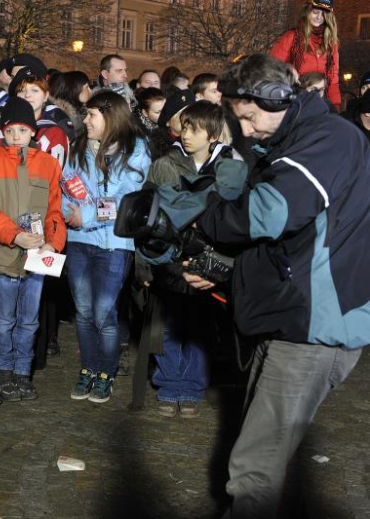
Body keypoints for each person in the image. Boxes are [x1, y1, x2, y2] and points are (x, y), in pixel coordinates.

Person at [183, 53, 370, 518]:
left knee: (255, 467)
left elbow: (270, 214)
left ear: (279, 96)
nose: (244, 130)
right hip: (291, 317)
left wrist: (202, 217)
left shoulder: (330, 138)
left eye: (247, 116)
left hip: (312, 327)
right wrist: (226, 267)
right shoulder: (297, 139)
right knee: (257, 452)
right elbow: (298, 242)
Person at [147, 101, 240, 418]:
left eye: (194, 129)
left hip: (208, 261)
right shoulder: (165, 163)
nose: (186, 134)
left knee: (201, 327)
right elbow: (147, 214)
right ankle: (169, 383)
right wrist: (145, 262)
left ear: (212, 135)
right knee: (169, 326)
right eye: (184, 126)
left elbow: (235, 219)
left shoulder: (230, 168)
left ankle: (192, 386)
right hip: (170, 257)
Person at [0, 97, 66, 401]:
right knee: (2, 319)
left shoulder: (48, 164)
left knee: (29, 318)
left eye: (22, 131)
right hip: (3, 253)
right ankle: (2, 371)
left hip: (37, 254)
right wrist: (15, 236)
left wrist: (54, 241)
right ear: (2, 132)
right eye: (10, 130)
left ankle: (22, 372)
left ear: (32, 133)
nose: (16, 137)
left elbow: (55, 211)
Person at [61, 90, 150, 403]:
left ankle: (106, 373)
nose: (85, 121)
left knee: (104, 311)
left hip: (114, 244)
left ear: (110, 116)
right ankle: (88, 368)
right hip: (79, 243)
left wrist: (84, 215)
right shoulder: (78, 147)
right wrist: (68, 213)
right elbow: (64, 188)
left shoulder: (135, 150)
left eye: (92, 115)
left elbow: (125, 200)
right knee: (84, 312)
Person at [270, 0, 340, 109]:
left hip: (319, 101)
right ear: (307, 11)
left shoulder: (331, 43)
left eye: (323, 14)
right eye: (315, 12)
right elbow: (272, 66)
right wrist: (288, 69)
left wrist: (335, 106)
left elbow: (333, 79)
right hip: (295, 100)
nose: (319, 17)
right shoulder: (292, 37)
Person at [0, 67, 73, 168]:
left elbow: (54, 175)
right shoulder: (3, 126)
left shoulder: (54, 133)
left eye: (34, 90)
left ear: (46, 96)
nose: (28, 95)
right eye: (22, 91)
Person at [48, 70, 91, 145]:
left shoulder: (79, 112)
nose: (90, 91)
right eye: (87, 87)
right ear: (75, 89)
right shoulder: (65, 118)